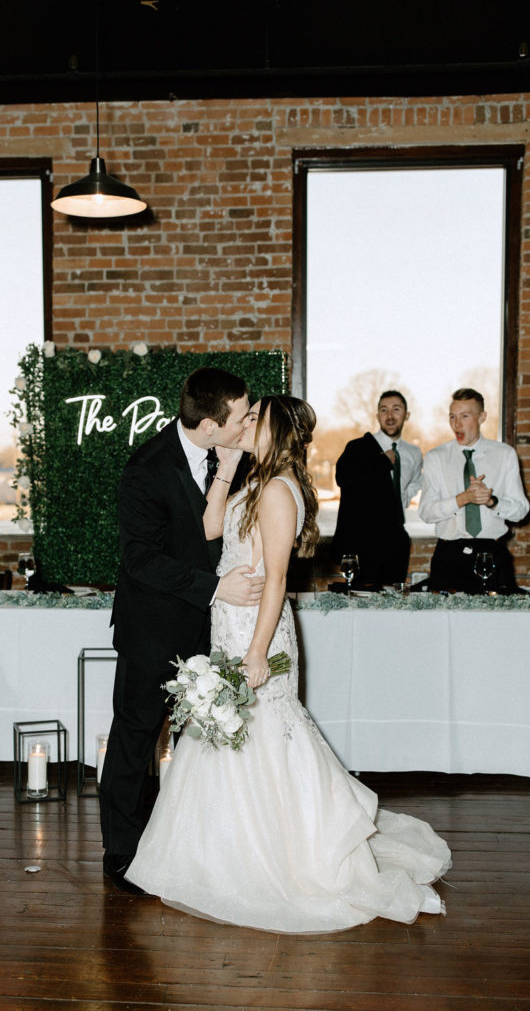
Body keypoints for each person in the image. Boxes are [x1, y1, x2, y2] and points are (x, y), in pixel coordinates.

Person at [126, 395, 451, 933]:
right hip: (227, 624)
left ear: (276, 431)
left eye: (256, 418)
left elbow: (276, 578)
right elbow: (210, 529)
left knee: (265, 734)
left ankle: (284, 856)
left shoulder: (278, 491)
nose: (247, 423)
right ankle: (218, 858)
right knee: (225, 736)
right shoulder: (254, 481)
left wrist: (257, 652)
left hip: (259, 631)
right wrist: (228, 469)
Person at [99, 366, 265, 894]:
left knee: (209, 740)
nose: (248, 422)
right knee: (135, 737)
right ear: (211, 425)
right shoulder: (145, 470)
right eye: (241, 416)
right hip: (152, 631)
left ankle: (201, 842)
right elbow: (141, 560)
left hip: (213, 630)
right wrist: (217, 588)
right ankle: (122, 851)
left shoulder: (232, 457)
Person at [419, 388, 529, 593]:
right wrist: (462, 499)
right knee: (446, 623)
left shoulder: (504, 455)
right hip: (449, 556)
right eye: (452, 417)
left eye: (464, 416)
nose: (456, 424)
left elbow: (521, 511)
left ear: (482, 417)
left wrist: (492, 502)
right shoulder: (436, 457)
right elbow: (426, 512)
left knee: (497, 624)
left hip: (492, 554)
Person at [332, 390, 422, 588]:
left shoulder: (413, 453)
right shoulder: (358, 447)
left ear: (406, 415)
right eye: (384, 410)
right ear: (377, 416)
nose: (390, 416)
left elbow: (416, 481)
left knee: (392, 603)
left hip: (396, 539)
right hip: (363, 540)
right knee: (360, 605)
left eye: (396, 410)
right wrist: (381, 463)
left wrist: (401, 501)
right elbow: (343, 478)